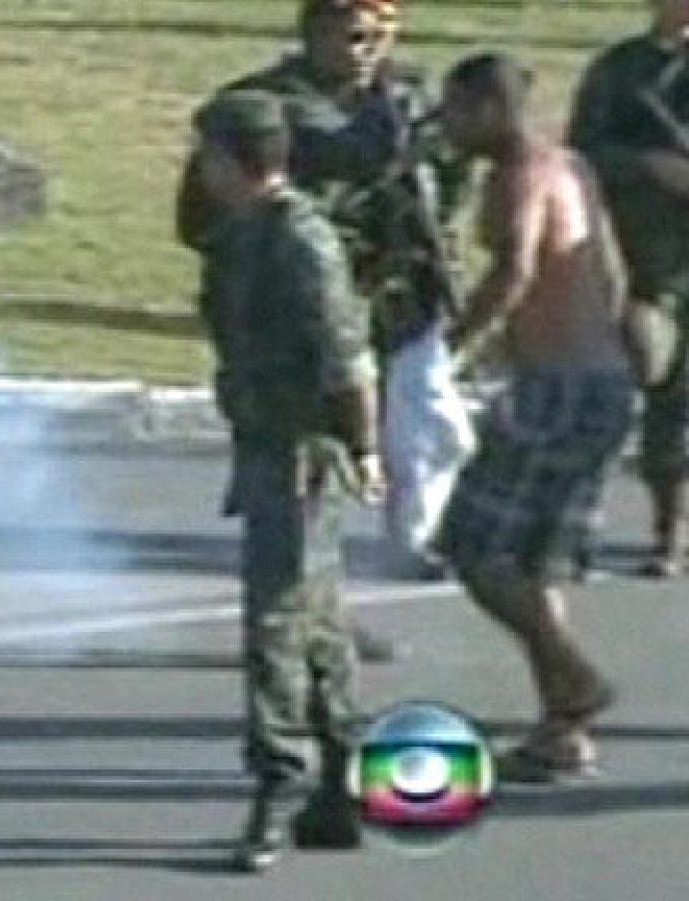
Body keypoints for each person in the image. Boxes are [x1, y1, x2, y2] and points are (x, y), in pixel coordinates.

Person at [178, 0, 444, 662]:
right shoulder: (262, 110)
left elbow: (430, 196)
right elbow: (200, 216)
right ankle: (287, 627)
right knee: (293, 470)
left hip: (378, 297)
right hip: (289, 311)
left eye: (382, 34)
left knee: (341, 466)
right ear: (316, 32)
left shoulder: (402, 103)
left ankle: (322, 616)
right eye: (355, 35)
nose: (370, 49)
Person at [191, 90, 381, 873]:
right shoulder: (239, 235)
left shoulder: (301, 240)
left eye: (207, 154)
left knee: (273, 620)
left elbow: (347, 360)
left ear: (233, 160)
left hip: (302, 451)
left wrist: (366, 449)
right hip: (265, 442)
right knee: (316, 619)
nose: (198, 169)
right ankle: (342, 771)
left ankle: (280, 778)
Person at [435, 54, 635, 782]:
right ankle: (562, 731)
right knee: (534, 560)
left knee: (472, 546)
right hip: (603, 380)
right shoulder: (571, 166)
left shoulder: (517, 174)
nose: (448, 126)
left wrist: (448, 351)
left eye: (456, 111)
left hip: (557, 388)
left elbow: (513, 268)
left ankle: (575, 675)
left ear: (489, 109)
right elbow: (610, 274)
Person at [569, 0, 689, 578]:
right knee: (637, 383)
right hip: (642, 261)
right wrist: (648, 165)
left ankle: (671, 529)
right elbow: (582, 154)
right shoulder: (622, 71)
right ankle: (589, 522)